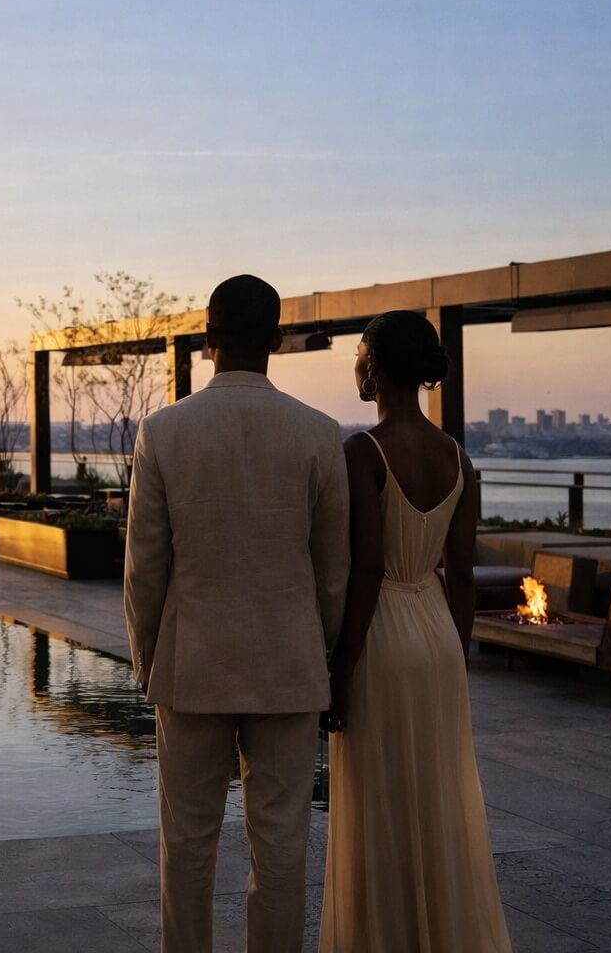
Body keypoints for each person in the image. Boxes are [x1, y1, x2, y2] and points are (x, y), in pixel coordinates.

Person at [125, 274, 350, 953]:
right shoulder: (319, 434)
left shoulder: (164, 432)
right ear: (277, 341)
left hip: (192, 664)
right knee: (281, 844)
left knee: (186, 844)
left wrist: (147, 660)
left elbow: (145, 568)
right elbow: (332, 574)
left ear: (208, 338)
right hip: (288, 666)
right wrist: (324, 656)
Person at [318, 310, 512, 952]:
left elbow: (369, 567)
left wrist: (340, 672)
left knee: (379, 806)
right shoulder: (459, 458)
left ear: (374, 368)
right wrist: (455, 657)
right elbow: (461, 573)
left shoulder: (362, 452)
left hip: (382, 637)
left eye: (361, 355)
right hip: (435, 634)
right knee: (434, 803)